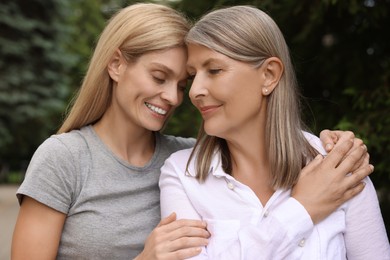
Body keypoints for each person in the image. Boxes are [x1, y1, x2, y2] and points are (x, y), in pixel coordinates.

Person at [11, 3, 372, 260]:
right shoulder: (65, 158)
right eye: (158, 77)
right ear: (117, 64)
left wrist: (332, 144)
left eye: (182, 82)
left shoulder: (187, 162)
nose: (174, 97)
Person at [159, 5, 390, 260]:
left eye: (214, 70)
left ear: (269, 75)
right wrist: (301, 210)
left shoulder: (339, 165)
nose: (194, 92)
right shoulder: (182, 175)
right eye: (193, 77)